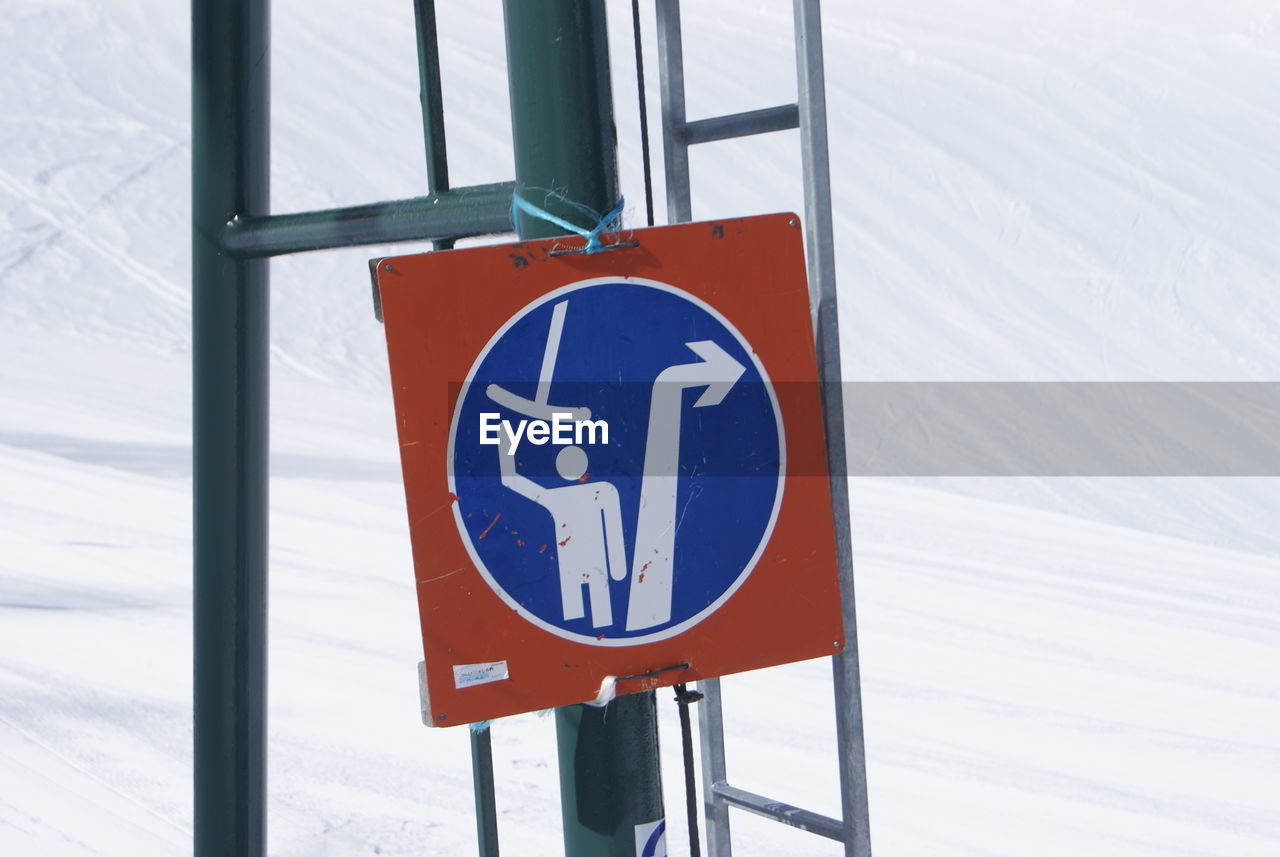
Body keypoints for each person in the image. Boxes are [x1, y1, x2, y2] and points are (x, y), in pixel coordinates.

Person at [497, 436, 627, 628]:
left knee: (586, 617)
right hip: (585, 567)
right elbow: (614, 531)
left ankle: (583, 644)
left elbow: (511, 479)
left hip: (573, 568)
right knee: (592, 616)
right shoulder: (603, 490)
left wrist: (505, 438)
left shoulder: (558, 496)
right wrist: (618, 569)